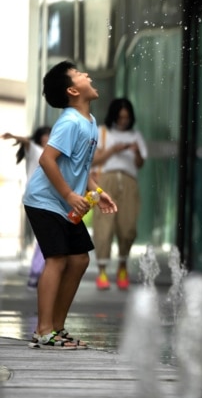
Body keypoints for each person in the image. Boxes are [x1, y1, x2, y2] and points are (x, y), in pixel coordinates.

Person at [23, 60, 117, 349]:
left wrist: (96, 191)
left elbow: (79, 167)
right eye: (80, 74)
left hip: (65, 203)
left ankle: (57, 328)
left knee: (79, 259)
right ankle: (43, 331)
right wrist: (68, 195)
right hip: (45, 200)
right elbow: (46, 159)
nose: (87, 75)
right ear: (72, 90)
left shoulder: (88, 123)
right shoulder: (69, 122)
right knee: (58, 259)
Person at [91, 97, 147, 290]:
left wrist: (137, 152)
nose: (123, 120)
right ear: (114, 115)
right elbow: (94, 160)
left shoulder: (136, 135)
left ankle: (122, 267)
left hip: (129, 182)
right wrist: (113, 150)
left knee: (128, 226)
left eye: (127, 117)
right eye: (120, 117)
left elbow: (140, 163)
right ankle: (102, 271)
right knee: (103, 226)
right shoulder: (102, 132)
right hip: (106, 180)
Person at [2, 126, 51, 289]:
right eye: (44, 136)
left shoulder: (54, 155)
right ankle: (36, 274)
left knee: (44, 238)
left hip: (48, 200)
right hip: (36, 199)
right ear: (40, 138)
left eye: (49, 136)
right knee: (45, 238)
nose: (47, 138)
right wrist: (14, 135)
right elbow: (27, 142)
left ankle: (38, 274)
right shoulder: (36, 150)